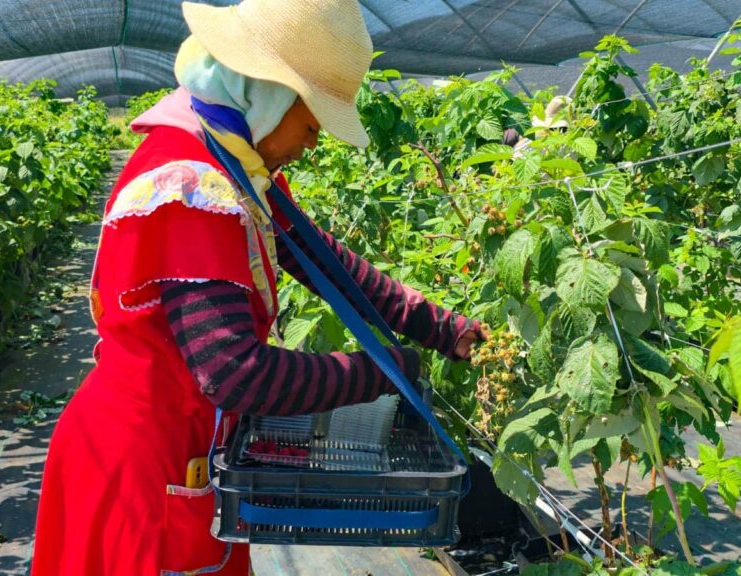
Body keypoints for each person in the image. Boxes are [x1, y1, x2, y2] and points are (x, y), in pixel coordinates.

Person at [31, 1, 484, 573]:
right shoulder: (193, 188)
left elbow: (325, 260)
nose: (315, 142)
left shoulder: (227, 157)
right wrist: (383, 372)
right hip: (146, 468)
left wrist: (439, 328)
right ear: (270, 94)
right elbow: (236, 375)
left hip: (186, 447)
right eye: (313, 122)